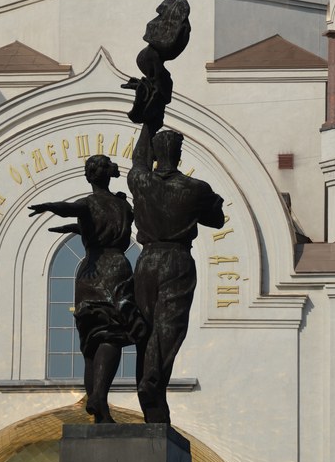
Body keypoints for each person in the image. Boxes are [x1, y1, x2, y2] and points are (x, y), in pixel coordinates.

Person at [28, 155, 144, 423]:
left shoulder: (88, 204)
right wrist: (73, 226)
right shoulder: (123, 207)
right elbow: (93, 223)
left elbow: (71, 209)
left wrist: (49, 206)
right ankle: (99, 403)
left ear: (89, 176)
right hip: (117, 268)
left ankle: (97, 397)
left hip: (92, 270)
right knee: (110, 333)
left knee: (94, 339)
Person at [127, 123, 225, 424]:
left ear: (156, 154)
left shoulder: (141, 181)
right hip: (177, 260)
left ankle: (151, 396)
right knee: (168, 329)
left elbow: (137, 161)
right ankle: (153, 382)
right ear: (179, 155)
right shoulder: (195, 189)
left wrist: (147, 122)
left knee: (145, 330)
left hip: (146, 261)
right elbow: (217, 220)